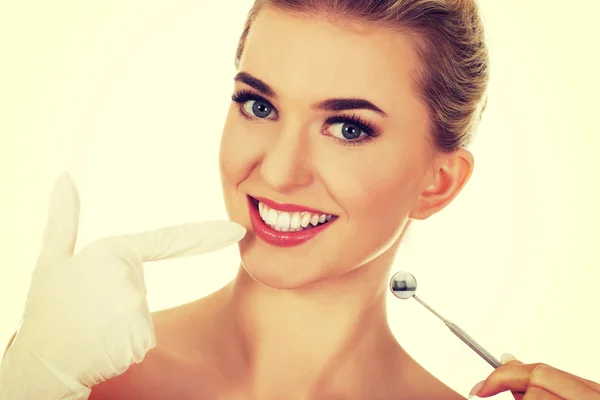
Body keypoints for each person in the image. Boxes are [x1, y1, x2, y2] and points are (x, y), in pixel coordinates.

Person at [1, 0, 599, 399]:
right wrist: (30, 381)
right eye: (259, 106)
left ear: (436, 182)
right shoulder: (77, 374)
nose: (280, 173)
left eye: (347, 127)